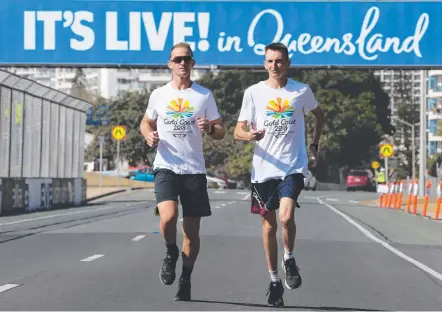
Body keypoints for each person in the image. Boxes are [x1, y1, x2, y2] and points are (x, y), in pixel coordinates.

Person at [234, 42, 325, 307]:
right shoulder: (253, 93)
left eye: (280, 61)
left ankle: (289, 257)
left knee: (286, 216)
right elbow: (237, 131)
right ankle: (274, 281)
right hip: (263, 170)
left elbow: (320, 116)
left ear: (288, 63)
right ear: (265, 64)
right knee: (269, 224)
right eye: (270, 61)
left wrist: (314, 146)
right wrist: (248, 135)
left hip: (293, 166)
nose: (275, 66)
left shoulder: (301, 91)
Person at [140, 42, 226, 301]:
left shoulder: (203, 96)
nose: (182, 63)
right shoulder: (159, 94)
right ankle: (170, 252)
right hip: (166, 165)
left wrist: (210, 127)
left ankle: (186, 278)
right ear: (170, 64)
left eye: (186, 59)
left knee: (192, 232)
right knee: (167, 217)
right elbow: (146, 121)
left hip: (194, 170)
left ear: (192, 63)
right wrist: (148, 135)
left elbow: (220, 131)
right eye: (177, 59)